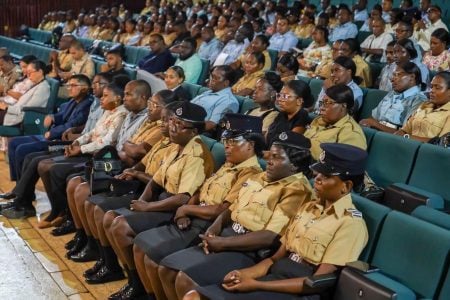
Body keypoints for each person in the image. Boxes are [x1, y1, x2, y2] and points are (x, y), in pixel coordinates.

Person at [186, 143, 368, 300]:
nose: (317, 179)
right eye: (318, 173)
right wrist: (245, 274)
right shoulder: (309, 208)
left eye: (326, 176)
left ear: (347, 186)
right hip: (274, 275)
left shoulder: (350, 223)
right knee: (193, 296)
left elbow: (317, 282)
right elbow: (275, 258)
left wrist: (256, 285)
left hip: (299, 291)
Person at [158, 131, 314, 300]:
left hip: (247, 250)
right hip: (225, 235)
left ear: (295, 166)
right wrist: (213, 230)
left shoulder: (297, 190)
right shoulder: (260, 176)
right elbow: (231, 208)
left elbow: (269, 236)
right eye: (269, 155)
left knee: (185, 280)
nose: (268, 161)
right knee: (166, 269)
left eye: (276, 158)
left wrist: (223, 243)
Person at [133, 113, 265, 299]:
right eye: (226, 139)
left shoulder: (250, 173)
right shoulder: (229, 165)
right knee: (145, 252)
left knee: (165, 267)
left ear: (250, 145)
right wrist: (184, 211)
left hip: (207, 225)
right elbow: (200, 192)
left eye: (234, 141)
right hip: (193, 218)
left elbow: (222, 209)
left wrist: (186, 209)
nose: (226, 145)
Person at [101, 101, 215, 299]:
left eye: (180, 125)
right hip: (161, 199)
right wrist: (142, 203)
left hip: (174, 208)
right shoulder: (176, 146)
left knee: (121, 227)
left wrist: (147, 207)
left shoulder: (197, 154)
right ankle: (132, 280)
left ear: (194, 131)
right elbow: (155, 180)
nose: (172, 127)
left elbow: (183, 198)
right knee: (111, 218)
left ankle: (140, 287)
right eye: (172, 121)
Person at [1, 79, 128, 220]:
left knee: (40, 161)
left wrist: (79, 147)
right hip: (79, 145)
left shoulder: (120, 114)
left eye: (105, 95)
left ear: (117, 99)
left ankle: (51, 209)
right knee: (30, 156)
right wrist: (77, 142)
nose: (101, 98)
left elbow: (107, 141)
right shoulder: (107, 110)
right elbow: (91, 132)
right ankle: (22, 198)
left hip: (94, 154)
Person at [360, 61, 427, 133]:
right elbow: (373, 117)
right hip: (375, 131)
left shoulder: (419, 100)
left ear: (412, 77)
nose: (392, 80)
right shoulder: (392, 93)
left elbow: (405, 133)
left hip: (393, 139)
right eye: (393, 75)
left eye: (397, 75)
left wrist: (375, 124)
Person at [305, 84, 367, 160]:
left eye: (327, 103)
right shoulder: (318, 120)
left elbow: (345, 166)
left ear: (343, 106)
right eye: (322, 103)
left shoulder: (351, 133)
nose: (321, 108)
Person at [394, 71, 450, 142]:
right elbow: (404, 130)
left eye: (437, 88)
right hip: (406, 146)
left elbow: (441, 143)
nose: (431, 91)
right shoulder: (424, 106)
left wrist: (407, 137)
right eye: (431, 87)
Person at [191, 65, 239, 134]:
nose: (211, 80)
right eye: (212, 76)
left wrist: (189, 127)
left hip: (197, 131)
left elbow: (212, 124)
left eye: (216, 78)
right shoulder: (208, 92)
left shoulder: (229, 101)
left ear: (226, 83)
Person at [0, 60, 50, 126]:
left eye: (30, 73)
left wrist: (7, 107)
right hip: (13, 112)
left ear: (40, 72)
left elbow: (28, 109)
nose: (28, 76)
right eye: (27, 73)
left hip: (17, 118)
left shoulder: (43, 88)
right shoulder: (36, 84)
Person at [266, 80, 312, 147]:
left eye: (285, 96)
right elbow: (267, 136)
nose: (279, 99)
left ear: (299, 101)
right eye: (279, 95)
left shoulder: (303, 118)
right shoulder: (282, 114)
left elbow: (288, 145)